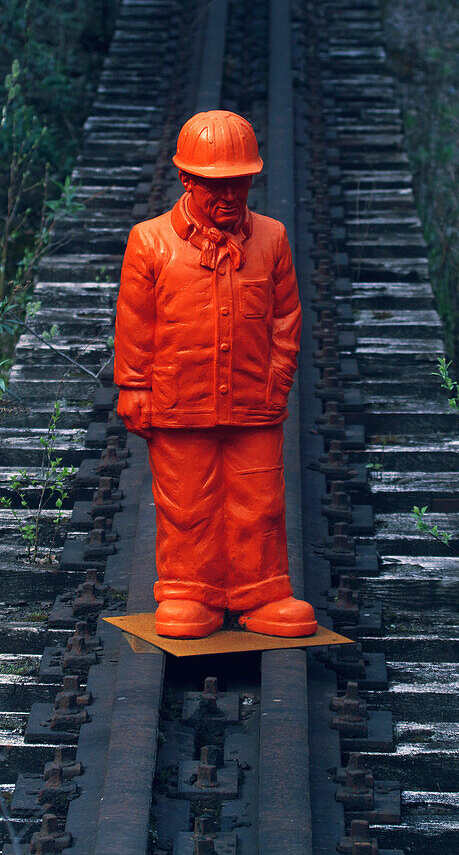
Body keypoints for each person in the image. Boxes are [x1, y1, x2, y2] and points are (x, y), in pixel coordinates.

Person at [114, 110, 317, 639]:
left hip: (253, 400)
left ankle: (262, 592)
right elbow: (136, 320)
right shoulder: (149, 241)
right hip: (180, 400)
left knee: (259, 497)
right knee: (187, 501)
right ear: (187, 179)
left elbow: (287, 318)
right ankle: (189, 591)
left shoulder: (272, 239)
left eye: (239, 184)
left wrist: (277, 380)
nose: (228, 198)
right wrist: (134, 387)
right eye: (215, 186)